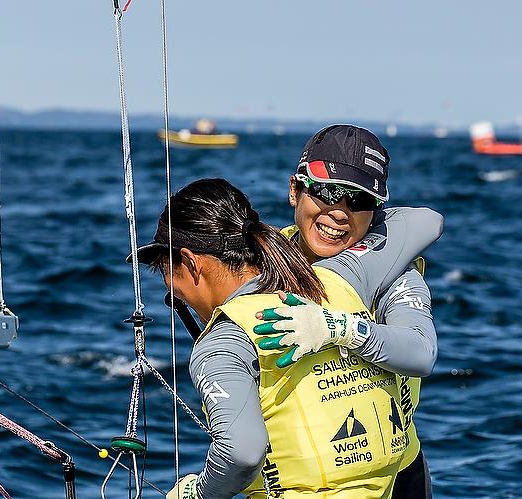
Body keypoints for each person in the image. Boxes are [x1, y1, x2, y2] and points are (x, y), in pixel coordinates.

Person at [133, 178, 435, 498]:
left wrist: (198, 493)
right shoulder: (339, 278)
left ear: (191, 263)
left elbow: (243, 453)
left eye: (165, 271)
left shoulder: (222, 344)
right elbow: (422, 223)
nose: (170, 290)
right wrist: (342, 328)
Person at [256, 124, 442, 498]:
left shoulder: (394, 274)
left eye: (359, 201)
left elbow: (421, 352)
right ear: (295, 190)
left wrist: (341, 329)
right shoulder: (262, 262)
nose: (340, 212)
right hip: (286, 482)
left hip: (392, 478)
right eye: (328, 192)